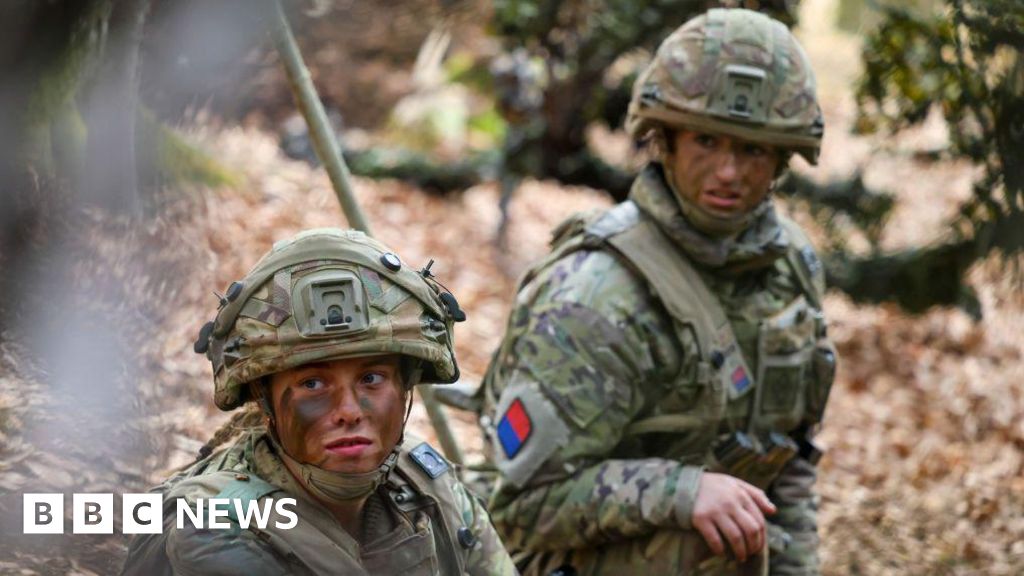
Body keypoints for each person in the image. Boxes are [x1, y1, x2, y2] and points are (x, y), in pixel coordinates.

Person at [478, 8, 837, 576]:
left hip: (718, 553)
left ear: (782, 157)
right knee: (708, 539)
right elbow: (519, 508)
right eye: (705, 141)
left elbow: (787, 464)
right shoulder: (596, 295)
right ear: (664, 139)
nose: (728, 172)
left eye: (752, 149)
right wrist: (680, 491)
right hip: (569, 558)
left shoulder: (789, 267)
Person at [123, 228, 517, 575]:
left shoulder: (426, 482)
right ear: (264, 399)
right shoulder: (214, 527)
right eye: (312, 384)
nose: (349, 412)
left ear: (405, 386)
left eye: (371, 379)